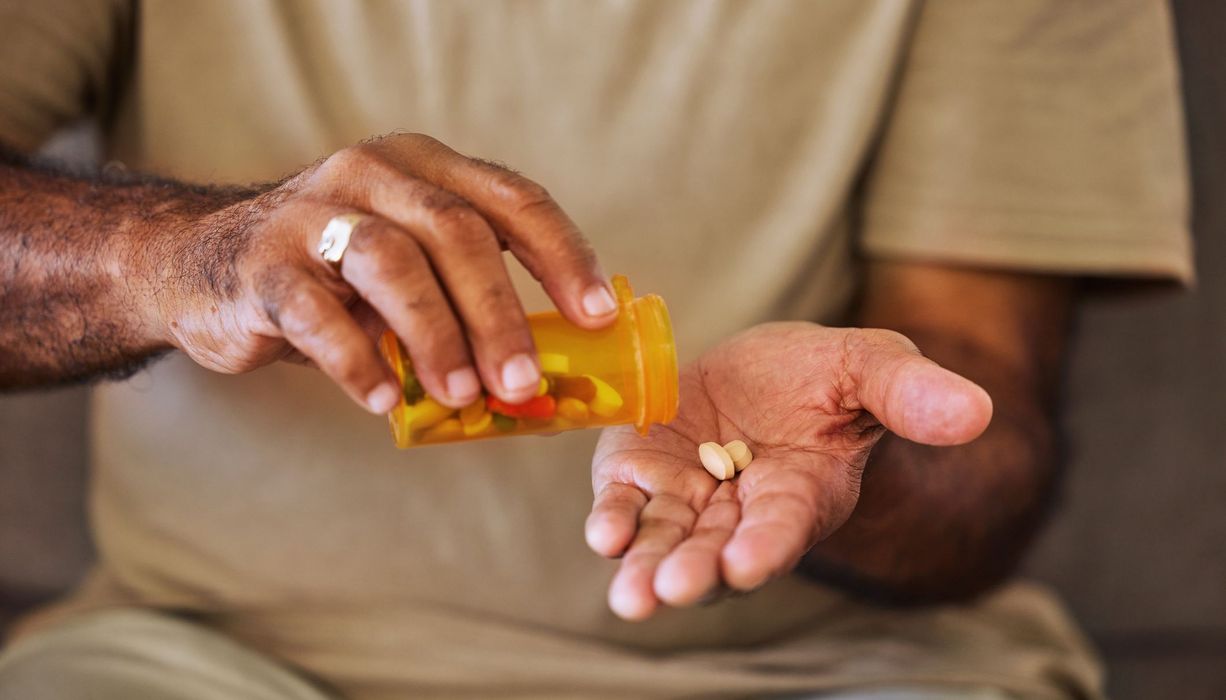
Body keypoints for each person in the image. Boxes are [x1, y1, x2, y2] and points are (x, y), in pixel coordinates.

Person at [0, 1, 1190, 699]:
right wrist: (174, 260)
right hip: (195, 661)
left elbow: (985, 444)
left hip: (824, 670)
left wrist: (851, 448)